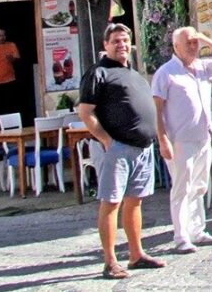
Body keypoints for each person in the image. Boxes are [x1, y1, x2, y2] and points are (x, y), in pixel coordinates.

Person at [78, 24, 165, 280]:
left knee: (135, 201)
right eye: (116, 41)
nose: (122, 45)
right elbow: (85, 111)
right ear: (105, 45)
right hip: (117, 148)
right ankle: (110, 261)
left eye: (125, 40)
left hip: (142, 148)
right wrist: (106, 140)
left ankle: (136, 254)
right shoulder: (99, 73)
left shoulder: (133, 73)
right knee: (111, 202)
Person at [153, 27, 212, 253]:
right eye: (188, 43)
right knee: (182, 187)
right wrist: (162, 139)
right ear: (176, 46)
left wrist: (208, 40)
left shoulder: (201, 67)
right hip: (180, 139)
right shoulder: (166, 73)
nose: (193, 46)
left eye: (195, 42)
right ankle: (181, 237)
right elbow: (157, 109)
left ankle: (197, 231)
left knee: (199, 186)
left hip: (202, 136)